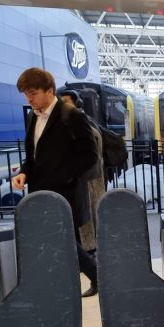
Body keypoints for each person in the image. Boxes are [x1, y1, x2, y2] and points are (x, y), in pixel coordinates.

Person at [11, 68, 100, 298]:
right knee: (60, 239)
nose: (29, 99)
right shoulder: (33, 116)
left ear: (49, 90)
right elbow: (33, 154)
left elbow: (90, 156)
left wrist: (64, 176)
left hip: (65, 193)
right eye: (25, 94)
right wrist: (24, 173)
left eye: (33, 93)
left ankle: (97, 276)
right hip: (40, 191)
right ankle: (69, 281)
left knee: (64, 240)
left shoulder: (72, 115)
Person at [60, 89, 105, 254]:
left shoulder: (78, 121)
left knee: (86, 214)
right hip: (92, 175)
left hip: (88, 176)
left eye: (65, 102)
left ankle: (88, 249)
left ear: (76, 103)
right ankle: (90, 248)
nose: (61, 106)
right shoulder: (87, 120)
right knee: (90, 213)